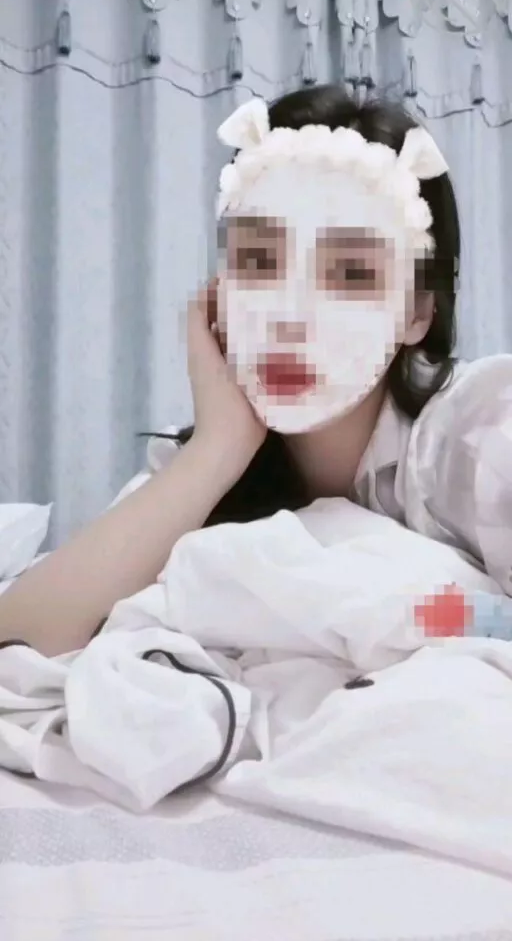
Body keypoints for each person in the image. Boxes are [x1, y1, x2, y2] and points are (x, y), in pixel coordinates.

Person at [0, 84, 510, 659]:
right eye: (259, 261)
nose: (289, 317)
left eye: (351, 274)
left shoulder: (482, 433)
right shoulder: (202, 461)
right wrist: (219, 448)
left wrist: (423, 614)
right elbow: (18, 640)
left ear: (417, 313)